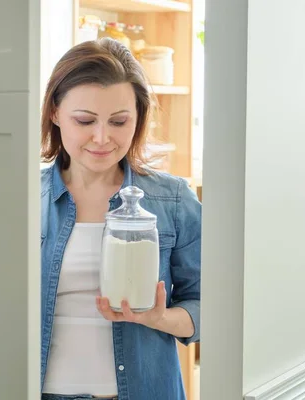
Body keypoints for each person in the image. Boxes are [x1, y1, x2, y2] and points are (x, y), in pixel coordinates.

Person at [40, 37, 201, 400]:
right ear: (55, 112)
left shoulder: (173, 200)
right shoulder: (23, 199)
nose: (102, 138)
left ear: (138, 118)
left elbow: (209, 303)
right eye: (84, 120)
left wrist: (160, 319)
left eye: (118, 121)